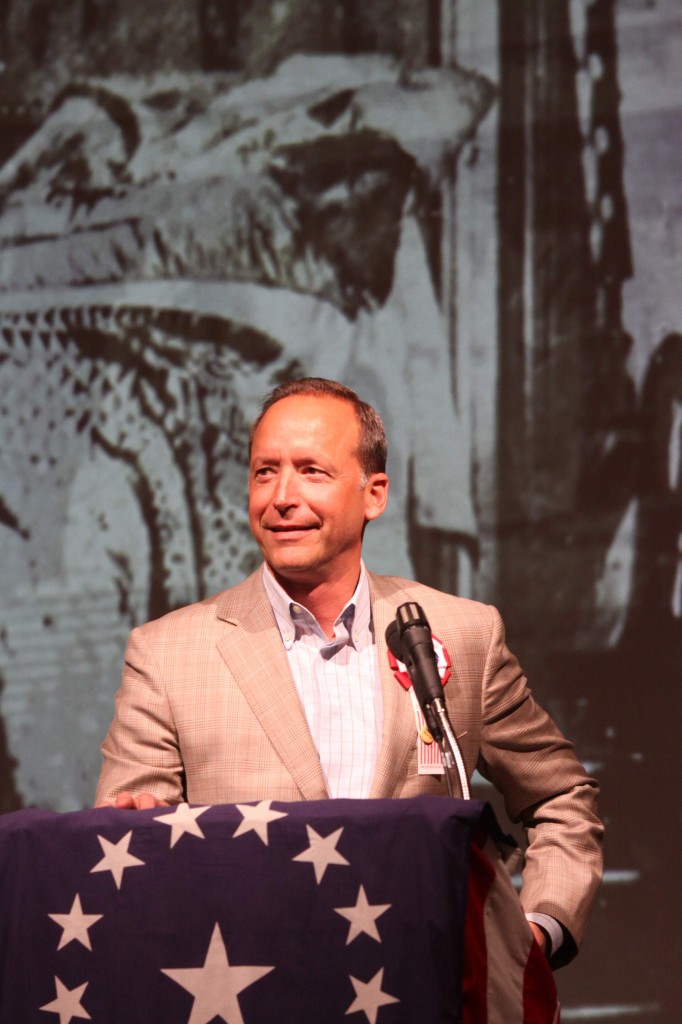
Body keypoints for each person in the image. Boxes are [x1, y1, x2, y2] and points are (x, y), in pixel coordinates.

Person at [96, 377, 603, 967]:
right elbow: (128, 838)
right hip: (248, 989)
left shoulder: (461, 634)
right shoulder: (168, 653)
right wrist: (134, 832)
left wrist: (536, 934)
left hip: (424, 987)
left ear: (374, 495)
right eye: (265, 472)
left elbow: (562, 795)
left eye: (312, 471)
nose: (281, 496)